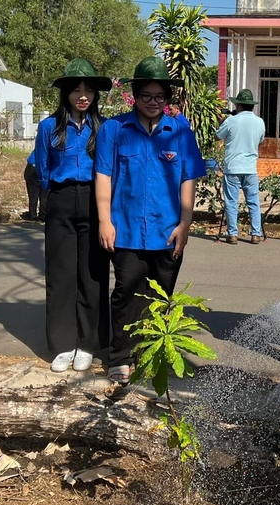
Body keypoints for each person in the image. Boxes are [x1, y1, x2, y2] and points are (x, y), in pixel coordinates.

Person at [95, 56, 206, 384]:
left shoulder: (180, 131)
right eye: (146, 96)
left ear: (167, 98)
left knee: (161, 298)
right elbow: (103, 176)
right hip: (126, 230)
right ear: (135, 96)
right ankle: (120, 357)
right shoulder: (115, 130)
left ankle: (152, 353)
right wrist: (105, 221)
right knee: (126, 293)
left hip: (167, 231)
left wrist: (185, 225)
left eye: (159, 97)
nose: (153, 102)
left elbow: (188, 179)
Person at [34, 58, 112, 373]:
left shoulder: (104, 127)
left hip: (95, 201)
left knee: (92, 274)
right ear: (65, 92)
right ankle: (64, 344)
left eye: (89, 90)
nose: (83, 96)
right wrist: (54, 195)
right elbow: (42, 169)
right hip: (61, 200)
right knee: (61, 274)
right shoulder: (48, 127)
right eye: (76, 89)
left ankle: (88, 343)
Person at [216, 88, 266, 245]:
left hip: (233, 167)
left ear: (238, 105)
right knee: (253, 202)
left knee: (231, 202)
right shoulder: (260, 122)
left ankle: (232, 234)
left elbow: (218, 135)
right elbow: (260, 140)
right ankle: (256, 234)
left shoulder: (231, 121)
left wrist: (221, 122)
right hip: (250, 167)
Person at [21, 150, 47, 222]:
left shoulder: (43, 144)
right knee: (44, 194)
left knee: (34, 195)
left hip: (34, 167)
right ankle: (42, 216)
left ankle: (33, 216)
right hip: (42, 168)